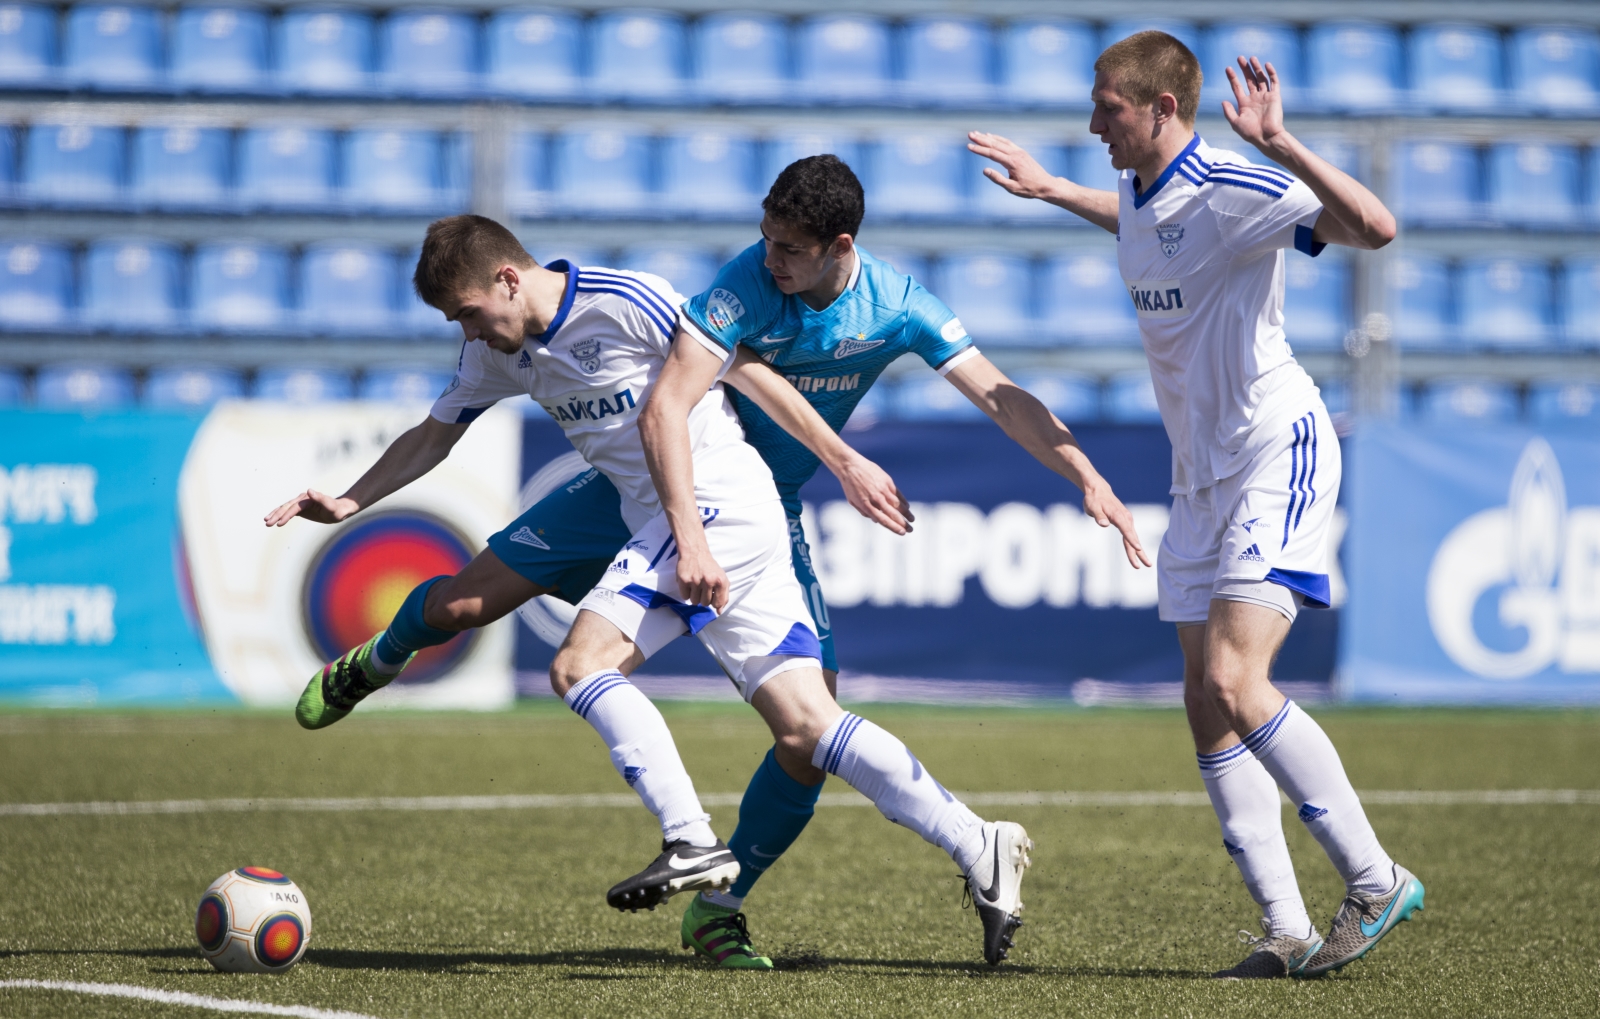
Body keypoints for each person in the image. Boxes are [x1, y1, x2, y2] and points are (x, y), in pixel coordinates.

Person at [272, 158, 1152, 968]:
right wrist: (352, 498)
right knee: (466, 610)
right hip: (652, 496)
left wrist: (1078, 472)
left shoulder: (878, 304)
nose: (767, 260)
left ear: (839, 248)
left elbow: (971, 392)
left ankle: (717, 890)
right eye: (764, 239)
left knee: (776, 726)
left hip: (720, 499)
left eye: (788, 249)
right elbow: (515, 421)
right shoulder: (717, 289)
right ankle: (376, 661)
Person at [970, 31, 1422, 980]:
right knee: (1205, 704)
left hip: (1274, 449)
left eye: (1108, 107)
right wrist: (1056, 189)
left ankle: (1377, 880)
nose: (1094, 123)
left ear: (1160, 109)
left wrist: (1282, 144)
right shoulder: (1142, 188)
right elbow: (1145, 222)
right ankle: (1288, 930)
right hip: (1198, 474)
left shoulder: (1234, 186)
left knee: (1233, 677)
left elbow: (1376, 228)